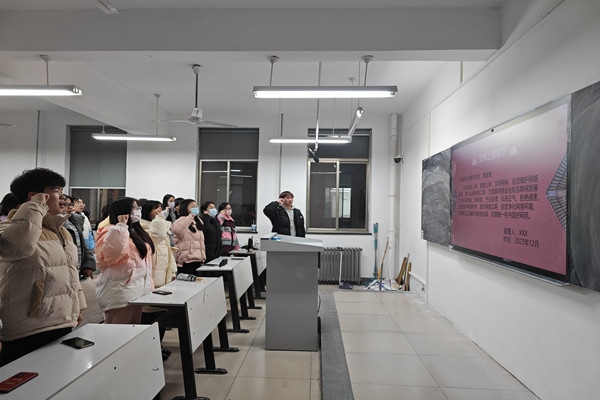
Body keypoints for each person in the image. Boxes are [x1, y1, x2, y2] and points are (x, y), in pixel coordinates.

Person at [0, 168, 86, 366]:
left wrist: (77, 307)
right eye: (56, 191)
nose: (63, 196)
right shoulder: (8, 229)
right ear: (35, 196)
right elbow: (18, 247)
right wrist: (35, 206)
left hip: (61, 320)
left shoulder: (61, 231)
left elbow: (70, 272)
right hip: (28, 327)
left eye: (62, 191)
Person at [94, 197, 154, 324]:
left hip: (137, 291)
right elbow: (110, 256)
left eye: (138, 207)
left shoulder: (136, 231)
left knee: (132, 329)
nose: (138, 210)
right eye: (134, 207)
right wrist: (121, 226)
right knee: (116, 330)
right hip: (120, 291)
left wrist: (149, 286)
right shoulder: (111, 230)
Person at [139, 200, 176, 361]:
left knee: (161, 314)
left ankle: (158, 346)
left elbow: (168, 251)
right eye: (156, 209)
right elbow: (159, 235)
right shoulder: (145, 227)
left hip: (164, 276)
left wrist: (173, 271)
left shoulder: (158, 226)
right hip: (153, 277)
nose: (159, 211)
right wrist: (160, 219)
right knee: (149, 315)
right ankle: (150, 348)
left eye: (160, 209)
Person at [63, 196, 96, 280]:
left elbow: (82, 244)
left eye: (71, 204)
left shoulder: (77, 220)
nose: (70, 207)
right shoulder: (59, 224)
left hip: (77, 267)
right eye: (66, 205)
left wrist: (88, 264)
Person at [171, 199, 206, 275]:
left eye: (196, 206)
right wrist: (190, 217)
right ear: (185, 208)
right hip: (186, 260)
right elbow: (178, 231)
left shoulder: (198, 221)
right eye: (193, 207)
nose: (195, 208)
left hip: (198, 259)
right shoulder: (180, 221)